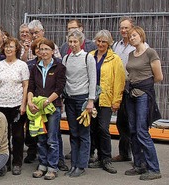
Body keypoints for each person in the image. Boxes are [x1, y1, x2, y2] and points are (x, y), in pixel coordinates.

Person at [123, 26, 163, 181]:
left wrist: (144, 85)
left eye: (134, 35)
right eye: (130, 36)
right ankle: (139, 164)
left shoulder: (150, 53)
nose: (132, 38)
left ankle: (154, 168)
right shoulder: (131, 54)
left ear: (141, 36)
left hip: (143, 95)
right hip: (131, 94)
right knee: (132, 130)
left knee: (142, 131)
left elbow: (158, 76)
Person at [87, 30, 125, 174]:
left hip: (106, 99)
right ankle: (98, 157)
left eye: (104, 42)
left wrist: (116, 101)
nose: (101, 44)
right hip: (91, 98)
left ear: (109, 43)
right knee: (93, 128)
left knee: (103, 128)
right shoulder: (90, 56)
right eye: (98, 41)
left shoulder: (115, 59)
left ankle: (106, 159)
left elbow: (119, 81)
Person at [27, 38, 66, 180]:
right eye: (41, 49)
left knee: (52, 139)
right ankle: (42, 165)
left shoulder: (60, 67)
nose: (43, 52)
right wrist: (30, 102)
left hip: (52, 108)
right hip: (38, 108)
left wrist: (48, 101)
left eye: (46, 49)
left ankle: (52, 167)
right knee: (41, 138)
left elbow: (59, 88)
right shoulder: (35, 67)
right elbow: (31, 87)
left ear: (52, 51)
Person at [111, 17, 149, 163]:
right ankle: (124, 153)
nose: (124, 30)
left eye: (126, 28)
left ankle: (138, 157)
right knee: (121, 122)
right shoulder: (116, 45)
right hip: (120, 86)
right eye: (121, 28)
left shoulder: (140, 46)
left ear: (133, 28)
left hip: (134, 86)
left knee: (135, 124)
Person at [61, 30, 97, 177]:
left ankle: (82, 164)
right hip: (69, 99)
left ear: (81, 42)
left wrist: (91, 101)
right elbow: (64, 79)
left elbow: (93, 79)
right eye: (70, 42)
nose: (73, 44)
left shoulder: (88, 58)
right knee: (73, 132)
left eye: (75, 41)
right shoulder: (66, 58)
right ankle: (74, 163)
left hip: (83, 100)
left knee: (83, 133)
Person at [0, 37, 28, 175]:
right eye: (6, 47)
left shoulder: (22, 65)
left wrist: (23, 104)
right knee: (3, 136)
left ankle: (17, 162)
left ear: (16, 49)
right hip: (1, 105)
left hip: (17, 104)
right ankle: (5, 162)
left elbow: (25, 86)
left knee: (17, 136)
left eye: (11, 47)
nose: (8, 49)